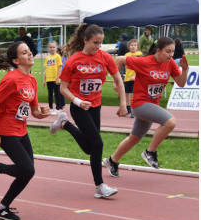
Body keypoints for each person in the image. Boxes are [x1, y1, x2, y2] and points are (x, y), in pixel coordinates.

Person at [49, 23, 126, 199]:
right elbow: (63, 88)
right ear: (85, 40)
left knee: (90, 149)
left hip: (95, 107)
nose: (98, 47)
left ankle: (64, 124)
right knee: (98, 144)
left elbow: (118, 80)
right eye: (95, 43)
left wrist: (123, 104)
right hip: (79, 107)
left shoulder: (105, 57)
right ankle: (99, 186)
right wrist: (77, 100)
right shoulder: (74, 60)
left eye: (100, 43)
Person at [0, 42, 51, 220]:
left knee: (28, 172)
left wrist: (41, 113)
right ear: (15, 60)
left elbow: (33, 111)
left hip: (21, 130)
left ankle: (1, 208)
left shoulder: (32, 80)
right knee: (27, 169)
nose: (29, 54)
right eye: (24, 52)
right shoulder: (11, 79)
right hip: (5, 130)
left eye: (29, 51)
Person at [104, 37, 188, 175]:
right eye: (168, 51)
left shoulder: (171, 63)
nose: (171, 55)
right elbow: (118, 59)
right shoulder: (144, 61)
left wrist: (184, 69)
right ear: (158, 51)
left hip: (151, 105)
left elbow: (181, 83)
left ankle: (112, 161)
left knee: (134, 138)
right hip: (140, 104)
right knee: (170, 122)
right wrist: (116, 81)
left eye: (173, 51)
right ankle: (150, 152)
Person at [122, 39, 143, 118]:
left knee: (134, 94)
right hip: (128, 77)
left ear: (137, 47)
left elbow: (141, 65)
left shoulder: (139, 54)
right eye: (131, 45)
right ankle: (128, 109)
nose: (133, 47)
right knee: (126, 94)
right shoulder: (127, 55)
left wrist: (136, 74)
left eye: (135, 45)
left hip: (136, 78)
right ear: (128, 47)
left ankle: (134, 110)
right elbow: (124, 63)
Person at [44, 40, 63, 115]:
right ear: (48, 48)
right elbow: (46, 69)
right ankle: (50, 108)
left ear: (56, 48)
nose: (52, 48)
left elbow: (60, 68)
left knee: (57, 93)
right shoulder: (47, 57)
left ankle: (58, 108)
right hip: (49, 79)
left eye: (53, 47)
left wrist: (58, 78)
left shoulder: (57, 56)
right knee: (50, 93)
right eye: (50, 47)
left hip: (55, 78)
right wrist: (44, 79)